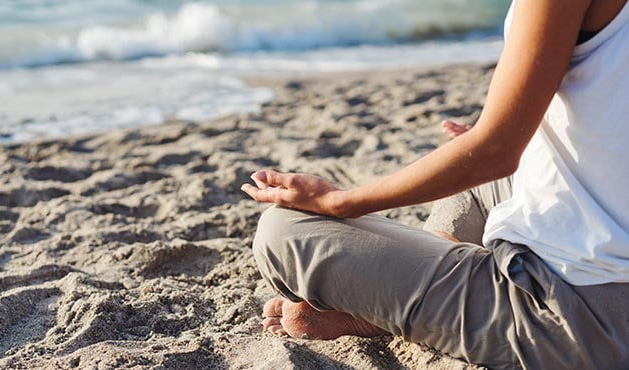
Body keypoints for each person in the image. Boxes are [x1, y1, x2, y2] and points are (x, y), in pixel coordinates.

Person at [241, 0, 629, 368]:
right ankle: (400, 298)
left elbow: (495, 152)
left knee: (283, 232)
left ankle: (392, 306)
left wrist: (339, 201)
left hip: (585, 318)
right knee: (476, 180)